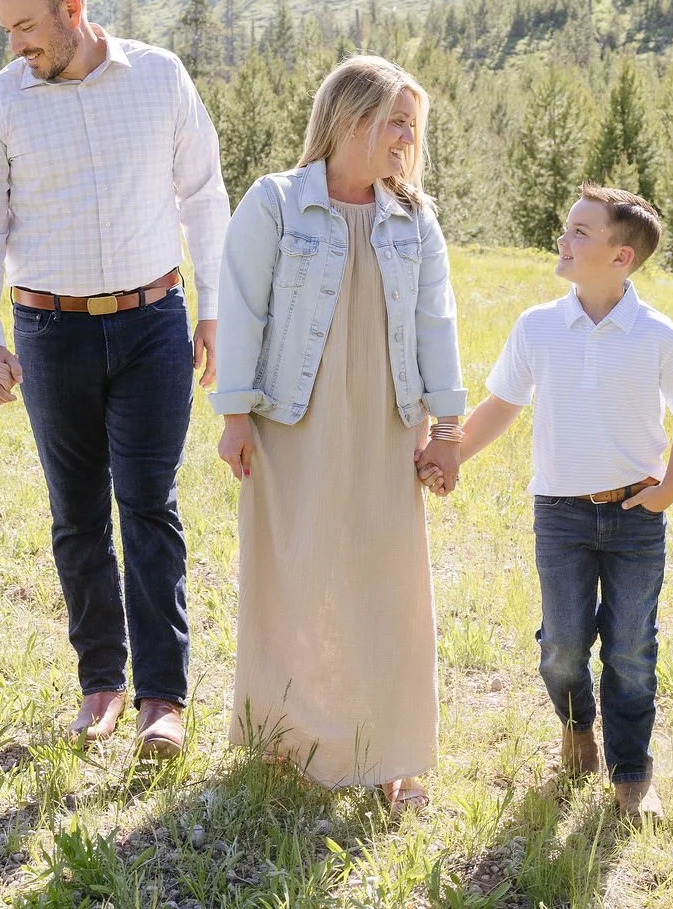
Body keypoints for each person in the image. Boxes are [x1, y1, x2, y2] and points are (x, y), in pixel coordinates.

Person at [0, 0, 229, 757]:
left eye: (28, 27)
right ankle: (99, 684)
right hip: (49, 331)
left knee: (149, 506)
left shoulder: (160, 76)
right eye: (6, 30)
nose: (16, 46)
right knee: (76, 515)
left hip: (154, 324)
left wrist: (212, 309)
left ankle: (162, 700)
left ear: (74, 11)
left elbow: (204, 194)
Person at [211, 55, 466, 811]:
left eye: (411, 126)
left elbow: (436, 322)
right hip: (292, 416)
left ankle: (391, 753)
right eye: (393, 120)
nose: (404, 138)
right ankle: (288, 743)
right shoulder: (277, 203)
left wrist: (446, 428)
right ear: (347, 116)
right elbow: (244, 306)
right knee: (292, 573)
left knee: (388, 583)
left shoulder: (413, 219)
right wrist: (233, 415)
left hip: (389, 421)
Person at [424, 185, 673, 819]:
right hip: (560, 514)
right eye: (567, 228)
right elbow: (501, 405)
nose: (565, 239)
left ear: (621, 257)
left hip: (636, 513)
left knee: (632, 646)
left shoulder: (657, 335)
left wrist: (669, 490)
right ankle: (576, 727)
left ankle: (632, 772)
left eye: (582, 232)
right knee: (563, 643)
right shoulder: (539, 326)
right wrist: (449, 453)